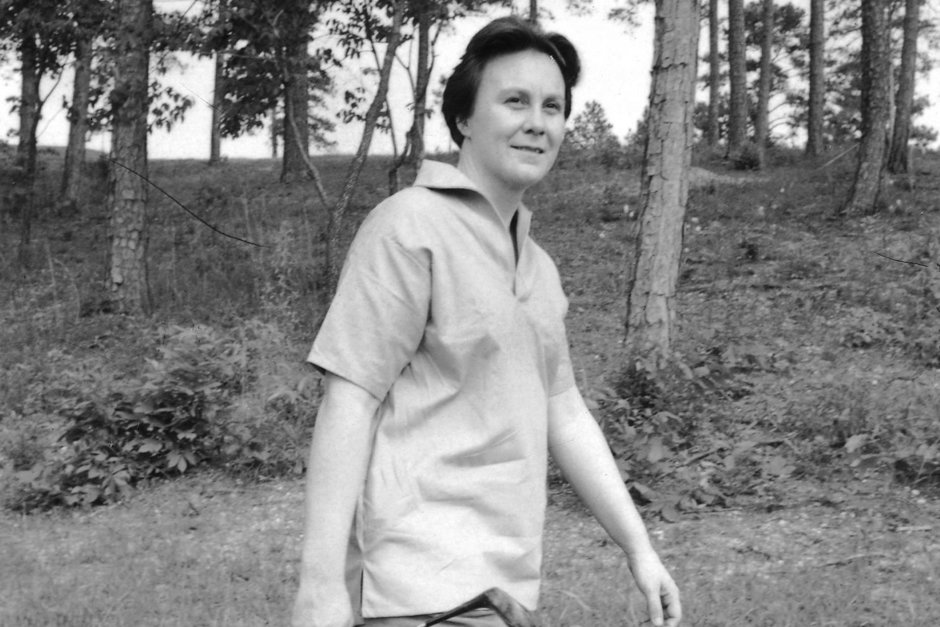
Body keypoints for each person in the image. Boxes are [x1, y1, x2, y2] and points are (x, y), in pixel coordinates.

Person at [291, 15, 681, 627]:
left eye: (553, 107)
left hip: (502, 588)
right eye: (515, 101)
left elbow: (565, 412)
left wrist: (640, 548)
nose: (537, 122)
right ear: (465, 118)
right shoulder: (408, 226)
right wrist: (319, 588)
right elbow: (350, 398)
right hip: (414, 585)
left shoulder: (539, 267)